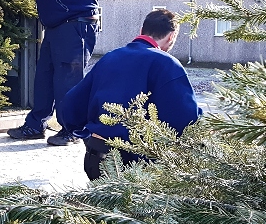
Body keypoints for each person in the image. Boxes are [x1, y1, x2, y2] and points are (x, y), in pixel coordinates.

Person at [60, 9, 202, 180]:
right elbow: (186, 120)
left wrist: (83, 132)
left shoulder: (110, 58)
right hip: (138, 166)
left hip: (96, 158)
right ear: (171, 37)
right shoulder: (167, 64)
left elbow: (70, 106)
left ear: (142, 30)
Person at [5, 0, 99, 146]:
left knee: (69, 80)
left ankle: (73, 130)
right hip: (58, 26)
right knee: (44, 78)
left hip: (75, 25)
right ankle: (36, 125)